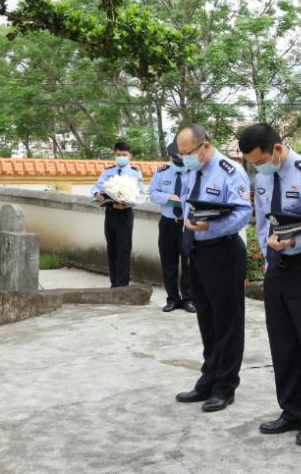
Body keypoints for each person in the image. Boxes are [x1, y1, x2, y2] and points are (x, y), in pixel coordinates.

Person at [240, 123, 301, 446]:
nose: (257, 167)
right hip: (278, 269)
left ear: (278, 150)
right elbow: (262, 220)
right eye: (253, 163)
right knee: (282, 344)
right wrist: (270, 259)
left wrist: (293, 242)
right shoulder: (264, 176)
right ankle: (291, 410)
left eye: (260, 160)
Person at [174, 124, 253, 413]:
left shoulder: (231, 172)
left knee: (227, 321)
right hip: (197, 250)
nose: (184, 158)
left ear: (205, 146)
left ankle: (225, 386)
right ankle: (208, 378)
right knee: (206, 318)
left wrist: (212, 225)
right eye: (180, 153)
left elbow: (244, 213)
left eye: (188, 152)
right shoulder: (191, 169)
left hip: (223, 251)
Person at [148, 141, 195, 313]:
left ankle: (188, 299)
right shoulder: (162, 173)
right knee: (168, 263)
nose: (180, 162)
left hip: (187, 224)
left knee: (188, 263)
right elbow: (152, 194)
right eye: (177, 159)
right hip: (168, 224)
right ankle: (172, 299)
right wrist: (170, 198)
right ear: (171, 157)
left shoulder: (194, 173)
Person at [90, 141, 143, 288]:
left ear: (130, 156)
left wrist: (126, 203)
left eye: (124, 155)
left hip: (125, 214)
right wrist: (97, 193)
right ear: (115, 154)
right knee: (112, 249)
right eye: (118, 154)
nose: (121, 157)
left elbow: (140, 195)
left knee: (124, 250)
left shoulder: (135, 172)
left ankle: (122, 285)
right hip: (111, 213)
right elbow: (96, 186)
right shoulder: (108, 171)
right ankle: (114, 284)